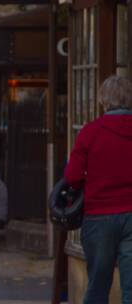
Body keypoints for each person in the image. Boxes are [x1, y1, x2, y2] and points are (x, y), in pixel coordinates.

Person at [65, 75, 132, 303]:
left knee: (97, 286)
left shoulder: (90, 132)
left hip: (99, 215)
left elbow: (72, 177)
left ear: (104, 100)